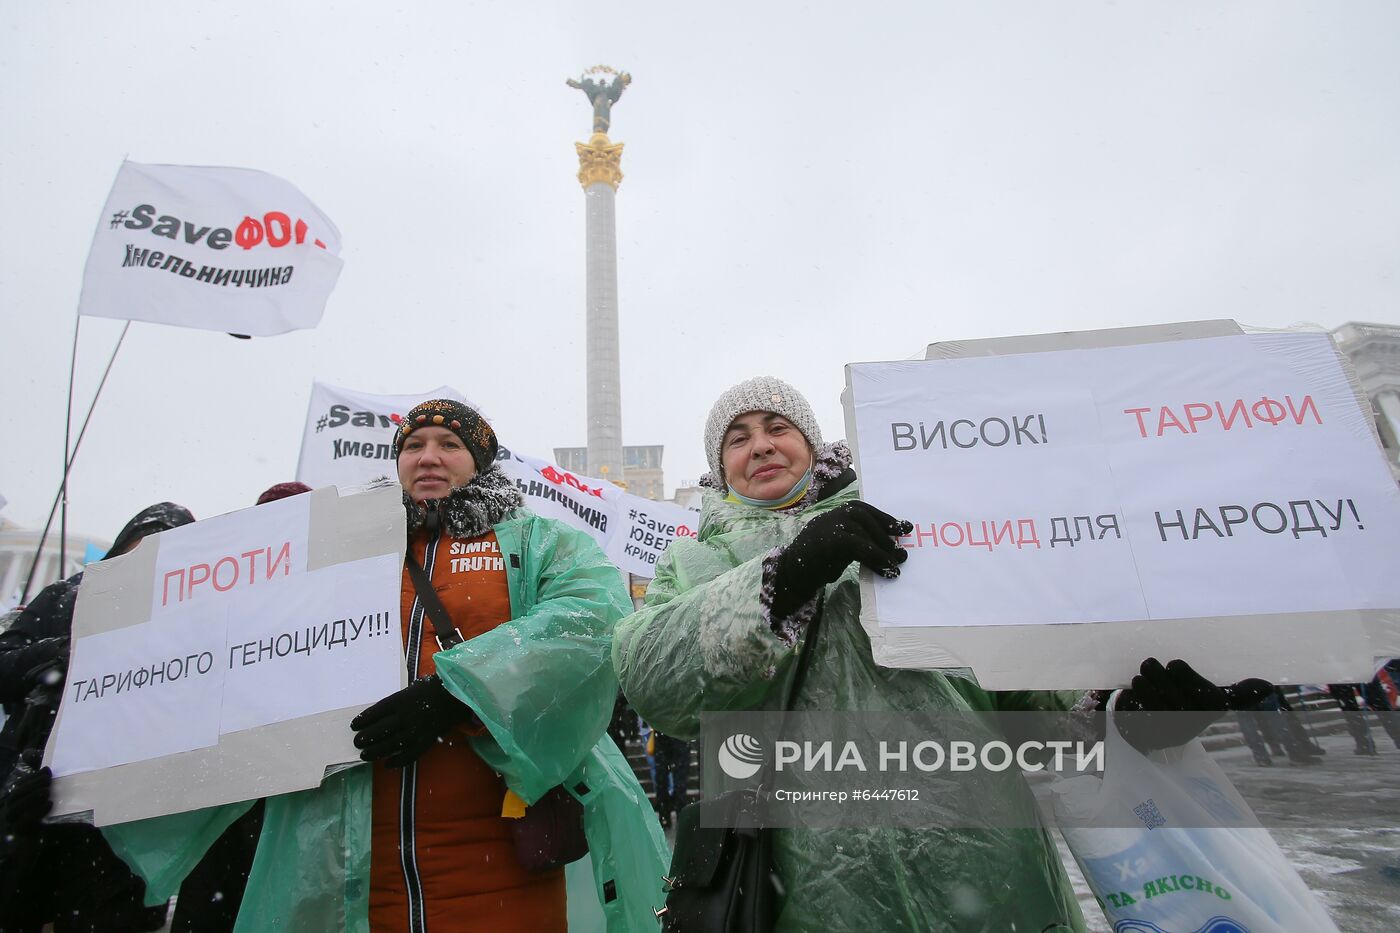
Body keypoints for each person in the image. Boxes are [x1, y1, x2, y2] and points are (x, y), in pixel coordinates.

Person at [613, 376, 1269, 932]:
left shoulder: (916, 522)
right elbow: (653, 679)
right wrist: (783, 577)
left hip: (988, 872)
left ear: (812, 442)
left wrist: (1128, 716)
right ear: (720, 466)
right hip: (805, 891)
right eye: (738, 437)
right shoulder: (694, 560)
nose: (759, 444)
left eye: (776, 425)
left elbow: (1028, 692)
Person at [105, 401, 668, 932]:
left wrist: (460, 694)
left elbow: (591, 621)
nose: (428, 456)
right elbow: (234, 649)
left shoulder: (541, 541)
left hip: (501, 857)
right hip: (344, 855)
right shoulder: (341, 552)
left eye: (449, 443)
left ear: (480, 461)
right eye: (413, 445)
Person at [0, 502, 194, 932]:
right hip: (26, 808)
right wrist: (59, 654)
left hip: (118, 836)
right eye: (138, 550)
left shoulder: (192, 626)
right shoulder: (65, 597)